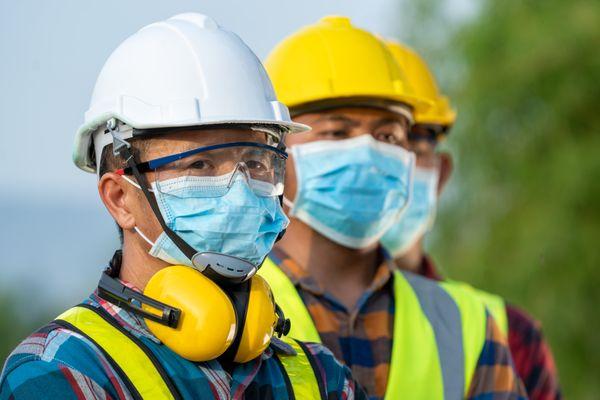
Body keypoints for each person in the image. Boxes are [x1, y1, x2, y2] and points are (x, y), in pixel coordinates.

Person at [0, 13, 366, 400]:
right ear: (119, 197)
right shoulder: (62, 371)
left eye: (256, 162)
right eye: (200, 164)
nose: (240, 191)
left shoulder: (321, 377)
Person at [260, 16, 527, 399]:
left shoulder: (465, 325)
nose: (369, 152)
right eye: (338, 132)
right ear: (275, 153)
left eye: (388, 135)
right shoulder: (225, 307)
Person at [379, 40, 562, 400]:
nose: (385, 169)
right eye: (343, 137)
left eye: (409, 145)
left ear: (442, 174)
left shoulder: (507, 334)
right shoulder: (253, 317)